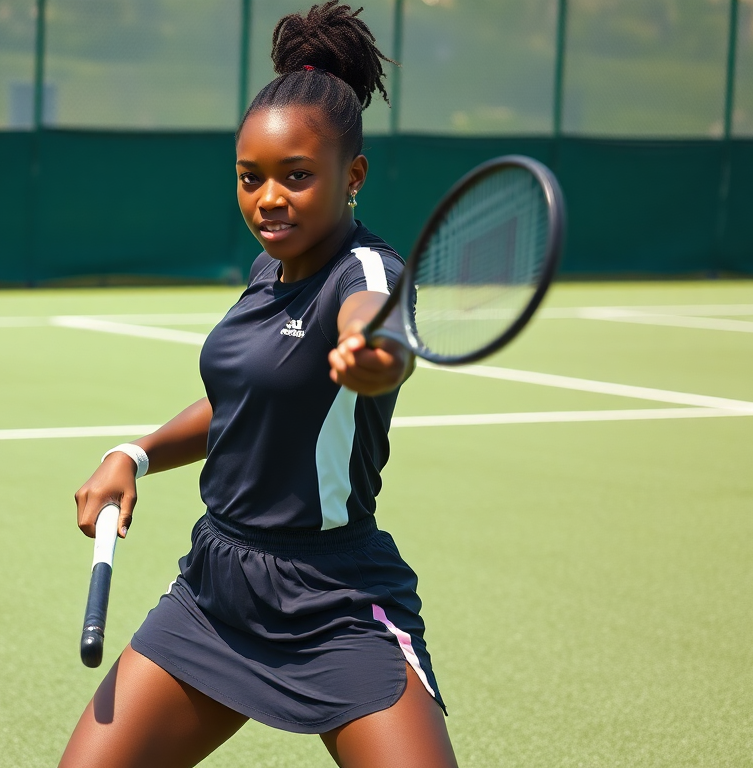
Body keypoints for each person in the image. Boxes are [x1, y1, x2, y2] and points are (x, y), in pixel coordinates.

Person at [58, 4, 457, 767]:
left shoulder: (366, 273)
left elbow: (378, 334)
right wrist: (132, 456)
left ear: (354, 177)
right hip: (218, 591)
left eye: (297, 177)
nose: (269, 198)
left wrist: (374, 358)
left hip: (335, 601)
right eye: (252, 178)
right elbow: (240, 405)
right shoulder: (267, 269)